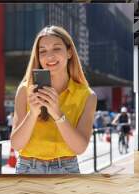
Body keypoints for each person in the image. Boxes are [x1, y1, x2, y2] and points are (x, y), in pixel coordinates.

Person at [10, 25, 97, 174]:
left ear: (69, 52)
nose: (49, 57)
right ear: (38, 56)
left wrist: (57, 114)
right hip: (28, 168)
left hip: (67, 168)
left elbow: (80, 148)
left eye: (56, 49)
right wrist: (33, 114)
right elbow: (17, 145)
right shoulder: (25, 90)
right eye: (43, 51)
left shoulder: (87, 96)